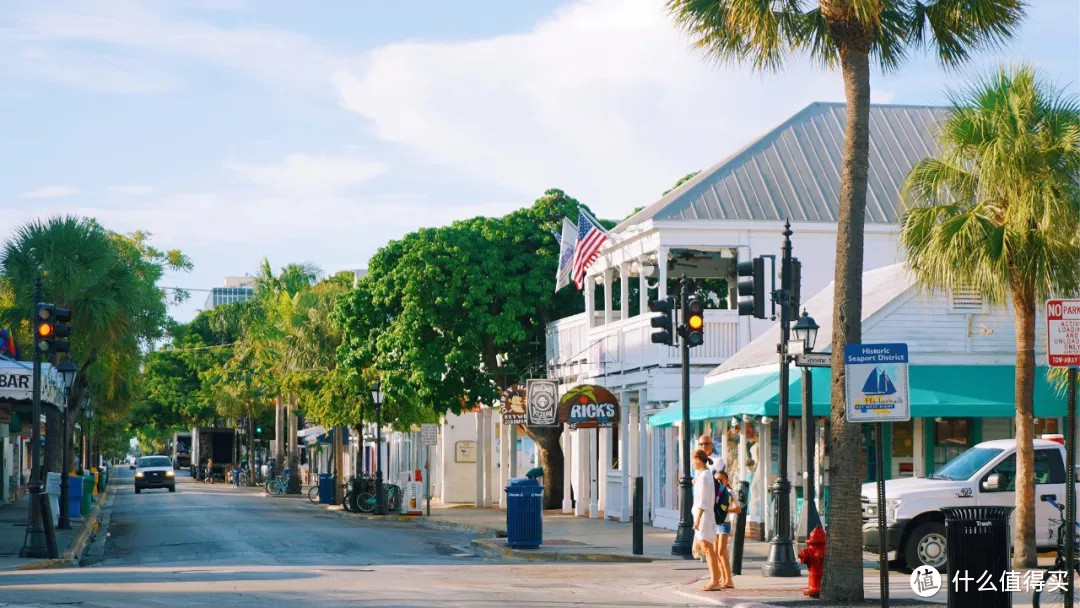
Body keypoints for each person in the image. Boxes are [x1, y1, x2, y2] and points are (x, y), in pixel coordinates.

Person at [691, 449, 723, 592]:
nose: (692, 463)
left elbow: (703, 502)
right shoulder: (704, 475)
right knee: (707, 549)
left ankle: (714, 580)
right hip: (705, 517)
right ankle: (714, 579)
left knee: (708, 550)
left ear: (698, 459)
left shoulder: (704, 477)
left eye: (693, 460)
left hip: (704, 518)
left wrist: (697, 520)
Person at [714, 469, 738, 589]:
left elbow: (738, 509)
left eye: (720, 479)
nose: (718, 481)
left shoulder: (729, 492)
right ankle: (723, 579)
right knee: (716, 553)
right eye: (716, 479)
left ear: (726, 480)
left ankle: (729, 580)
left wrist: (724, 510)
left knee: (721, 552)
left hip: (725, 523)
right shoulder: (715, 492)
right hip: (715, 524)